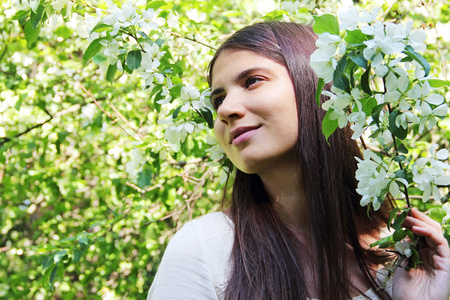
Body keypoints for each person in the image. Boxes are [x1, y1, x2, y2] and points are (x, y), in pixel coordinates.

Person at [147, 21, 450, 300]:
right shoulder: (205, 250)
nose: (225, 109)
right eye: (218, 100)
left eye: (252, 80)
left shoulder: (401, 252)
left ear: (318, 86)